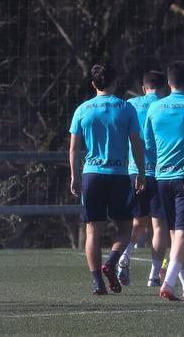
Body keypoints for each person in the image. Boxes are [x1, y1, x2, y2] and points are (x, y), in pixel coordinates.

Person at [68, 63, 146, 296]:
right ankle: (111, 262)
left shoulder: (82, 109)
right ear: (115, 82)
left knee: (93, 230)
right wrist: (141, 171)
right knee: (125, 227)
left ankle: (97, 283)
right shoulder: (125, 108)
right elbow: (136, 143)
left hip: (91, 174)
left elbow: (74, 148)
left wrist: (74, 175)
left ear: (93, 84)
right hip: (119, 175)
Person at [145, 61, 184, 301]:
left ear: (168, 83)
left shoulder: (155, 108)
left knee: (175, 234)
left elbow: (148, 144)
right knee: (183, 233)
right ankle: (168, 282)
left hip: (161, 177)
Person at [119, 70, 168, 287]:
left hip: (134, 170)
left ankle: (125, 255)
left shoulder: (130, 104)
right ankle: (154, 276)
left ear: (143, 87)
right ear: (165, 87)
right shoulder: (167, 104)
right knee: (159, 225)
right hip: (161, 172)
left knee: (137, 222)